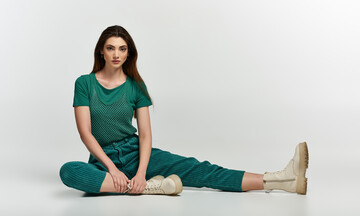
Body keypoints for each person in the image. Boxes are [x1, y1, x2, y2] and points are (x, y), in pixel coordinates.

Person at [59, 25, 309, 195]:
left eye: (122, 48)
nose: (116, 54)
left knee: (201, 170)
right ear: (101, 50)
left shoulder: (136, 86)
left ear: (128, 53)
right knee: (69, 171)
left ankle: (278, 180)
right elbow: (86, 134)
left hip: (135, 153)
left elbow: (145, 135)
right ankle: (149, 188)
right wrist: (112, 169)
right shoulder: (85, 83)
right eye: (111, 48)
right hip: (103, 161)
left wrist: (142, 172)